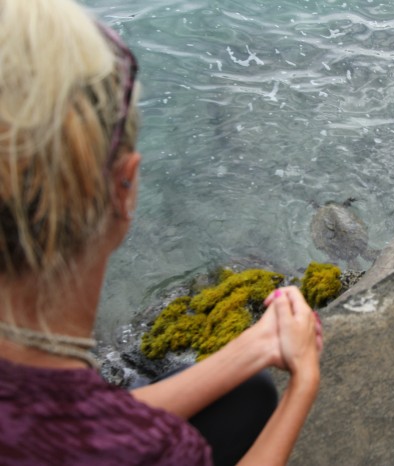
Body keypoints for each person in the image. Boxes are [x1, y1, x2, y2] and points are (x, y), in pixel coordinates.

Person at [0, 0, 322, 464]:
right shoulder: (152, 451)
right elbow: (92, 436)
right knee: (255, 404)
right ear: (124, 185)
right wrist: (304, 386)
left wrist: (257, 346)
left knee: (244, 392)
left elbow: (69, 419)